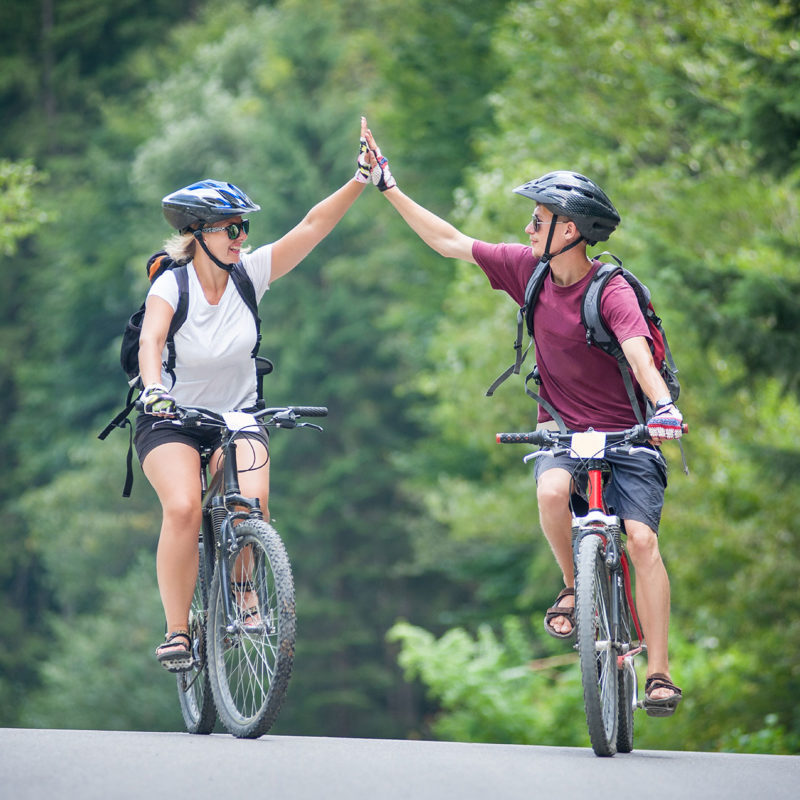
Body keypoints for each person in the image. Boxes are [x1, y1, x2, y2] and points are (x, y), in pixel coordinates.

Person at [362, 122, 684, 716]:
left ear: (571, 231)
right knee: (552, 491)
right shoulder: (526, 271)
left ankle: (659, 673)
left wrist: (663, 408)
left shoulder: (609, 290)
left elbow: (638, 351)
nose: (527, 228)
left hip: (630, 433)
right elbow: (451, 241)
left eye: (538, 220)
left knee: (641, 539)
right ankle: (573, 583)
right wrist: (389, 187)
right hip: (563, 427)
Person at [138, 118, 374, 672]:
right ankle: (177, 630)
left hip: (236, 415)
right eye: (230, 229)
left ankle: (243, 594)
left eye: (244, 228)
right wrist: (153, 390)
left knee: (255, 503)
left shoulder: (251, 275)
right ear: (198, 234)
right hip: (169, 417)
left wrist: (361, 178)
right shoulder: (171, 284)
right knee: (184, 506)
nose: (241, 238)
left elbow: (313, 226)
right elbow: (151, 341)